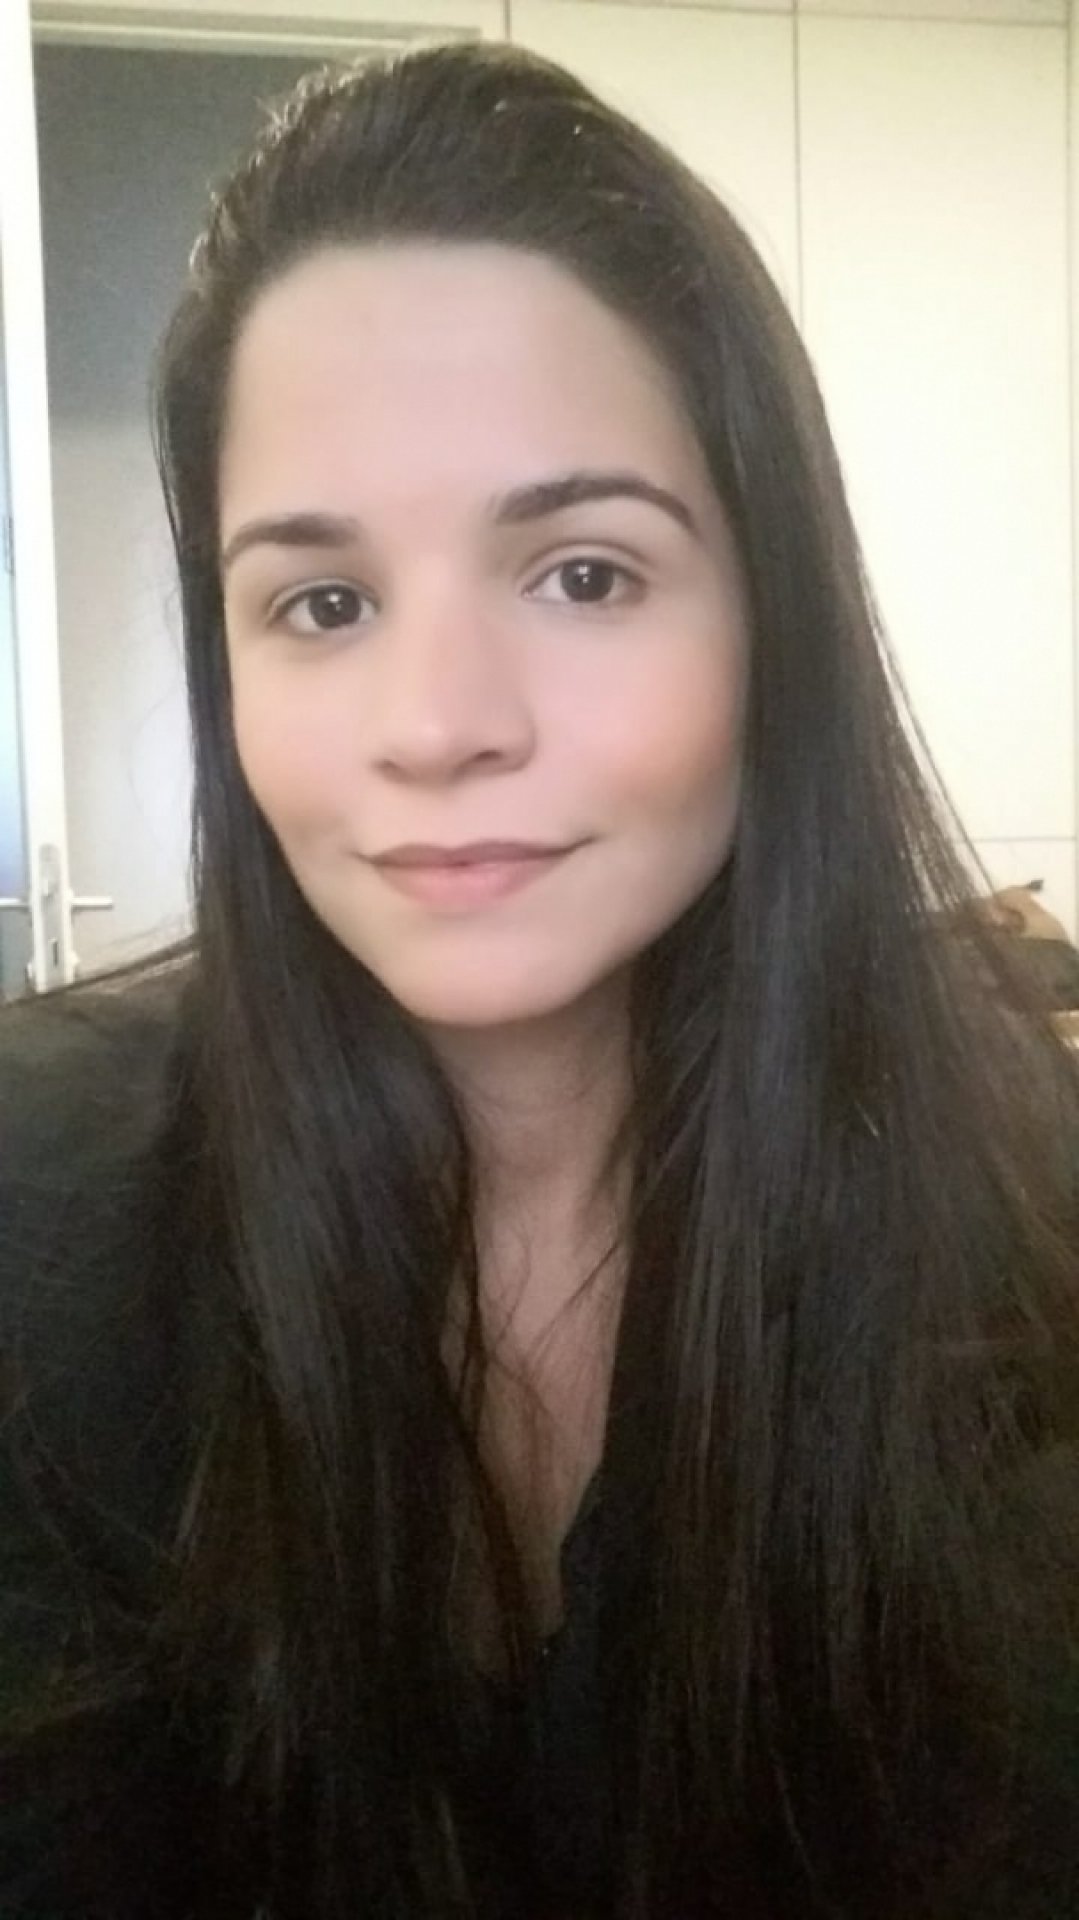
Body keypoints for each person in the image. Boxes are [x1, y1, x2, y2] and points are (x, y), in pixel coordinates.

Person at [1, 38, 1078, 1920]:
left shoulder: (1026, 1218)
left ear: (772, 619)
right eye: (323, 603)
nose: (437, 726)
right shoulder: (35, 1216)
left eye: (583, 574)